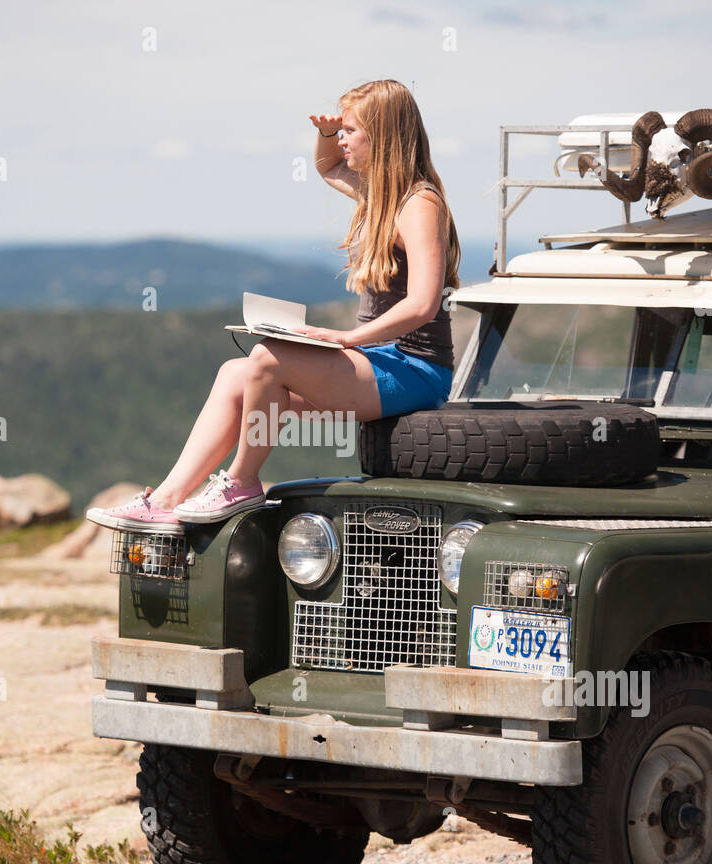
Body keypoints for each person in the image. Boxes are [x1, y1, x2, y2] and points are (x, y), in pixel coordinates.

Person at [86, 78, 461, 535]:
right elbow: (326, 167)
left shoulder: (418, 203)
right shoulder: (380, 195)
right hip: (376, 360)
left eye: (350, 130)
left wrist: (347, 338)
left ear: (382, 136)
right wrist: (325, 133)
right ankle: (165, 500)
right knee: (235, 374)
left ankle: (242, 483)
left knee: (267, 358)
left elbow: (423, 304)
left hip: (414, 369)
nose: (341, 139)